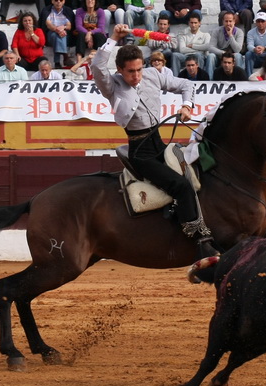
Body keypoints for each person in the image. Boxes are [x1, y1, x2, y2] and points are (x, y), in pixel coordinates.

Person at [91, 23, 218, 257]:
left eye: (139, 69)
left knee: (195, 173)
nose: (137, 76)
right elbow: (98, 66)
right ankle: (200, 241)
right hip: (140, 152)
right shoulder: (112, 86)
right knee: (180, 185)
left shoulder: (153, 75)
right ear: (119, 70)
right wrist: (113, 38)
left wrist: (187, 106)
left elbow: (185, 85)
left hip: (159, 144)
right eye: (131, 71)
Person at [206, 11, 243, 78]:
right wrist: (223, 53)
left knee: (238, 56)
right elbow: (211, 47)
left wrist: (230, 35)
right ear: (223, 21)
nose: (228, 23)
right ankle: (210, 81)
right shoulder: (216, 31)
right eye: (226, 21)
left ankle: (239, 80)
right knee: (211, 56)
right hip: (220, 56)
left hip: (232, 57)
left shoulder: (239, 32)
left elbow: (238, 50)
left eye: (230, 21)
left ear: (234, 21)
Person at [170, 13, 209, 77]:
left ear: (199, 23)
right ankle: (176, 78)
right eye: (192, 23)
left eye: (195, 23)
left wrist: (192, 46)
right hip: (186, 57)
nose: (193, 25)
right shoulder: (183, 35)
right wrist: (200, 48)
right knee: (175, 55)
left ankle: (200, 77)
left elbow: (207, 47)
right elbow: (182, 50)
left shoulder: (205, 35)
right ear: (189, 23)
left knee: (198, 55)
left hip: (199, 57)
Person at [244, 11, 266, 76]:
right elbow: (249, 45)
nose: (260, 23)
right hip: (257, 56)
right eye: (258, 21)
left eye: (262, 21)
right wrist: (254, 49)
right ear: (255, 22)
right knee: (248, 54)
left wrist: (265, 48)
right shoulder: (250, 32)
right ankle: (249, 76)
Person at [75, 0, 107, 64]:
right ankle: (79, 60)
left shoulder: (100, 11)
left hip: (96, 36)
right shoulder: (79, 11)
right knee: (81, 34)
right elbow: (78, 26)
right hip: (84, 37)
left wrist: (90, 33)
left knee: (99, 35)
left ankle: (96, 59)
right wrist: (87, 34)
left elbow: (101, 28)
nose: (90, 1)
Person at [45, 0, 74, 68]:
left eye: (61, 0)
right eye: (56, 0)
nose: (58, 2)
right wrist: (57, 29)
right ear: (52, 1)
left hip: (63, 33)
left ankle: (57, 62)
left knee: (59, 36)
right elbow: (48, 24)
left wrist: (63, 27)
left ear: (64, 1)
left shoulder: (67, 11)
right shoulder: (47, 10)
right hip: (50, 33)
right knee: (56, 35)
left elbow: (69, 26)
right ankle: (65, 56)